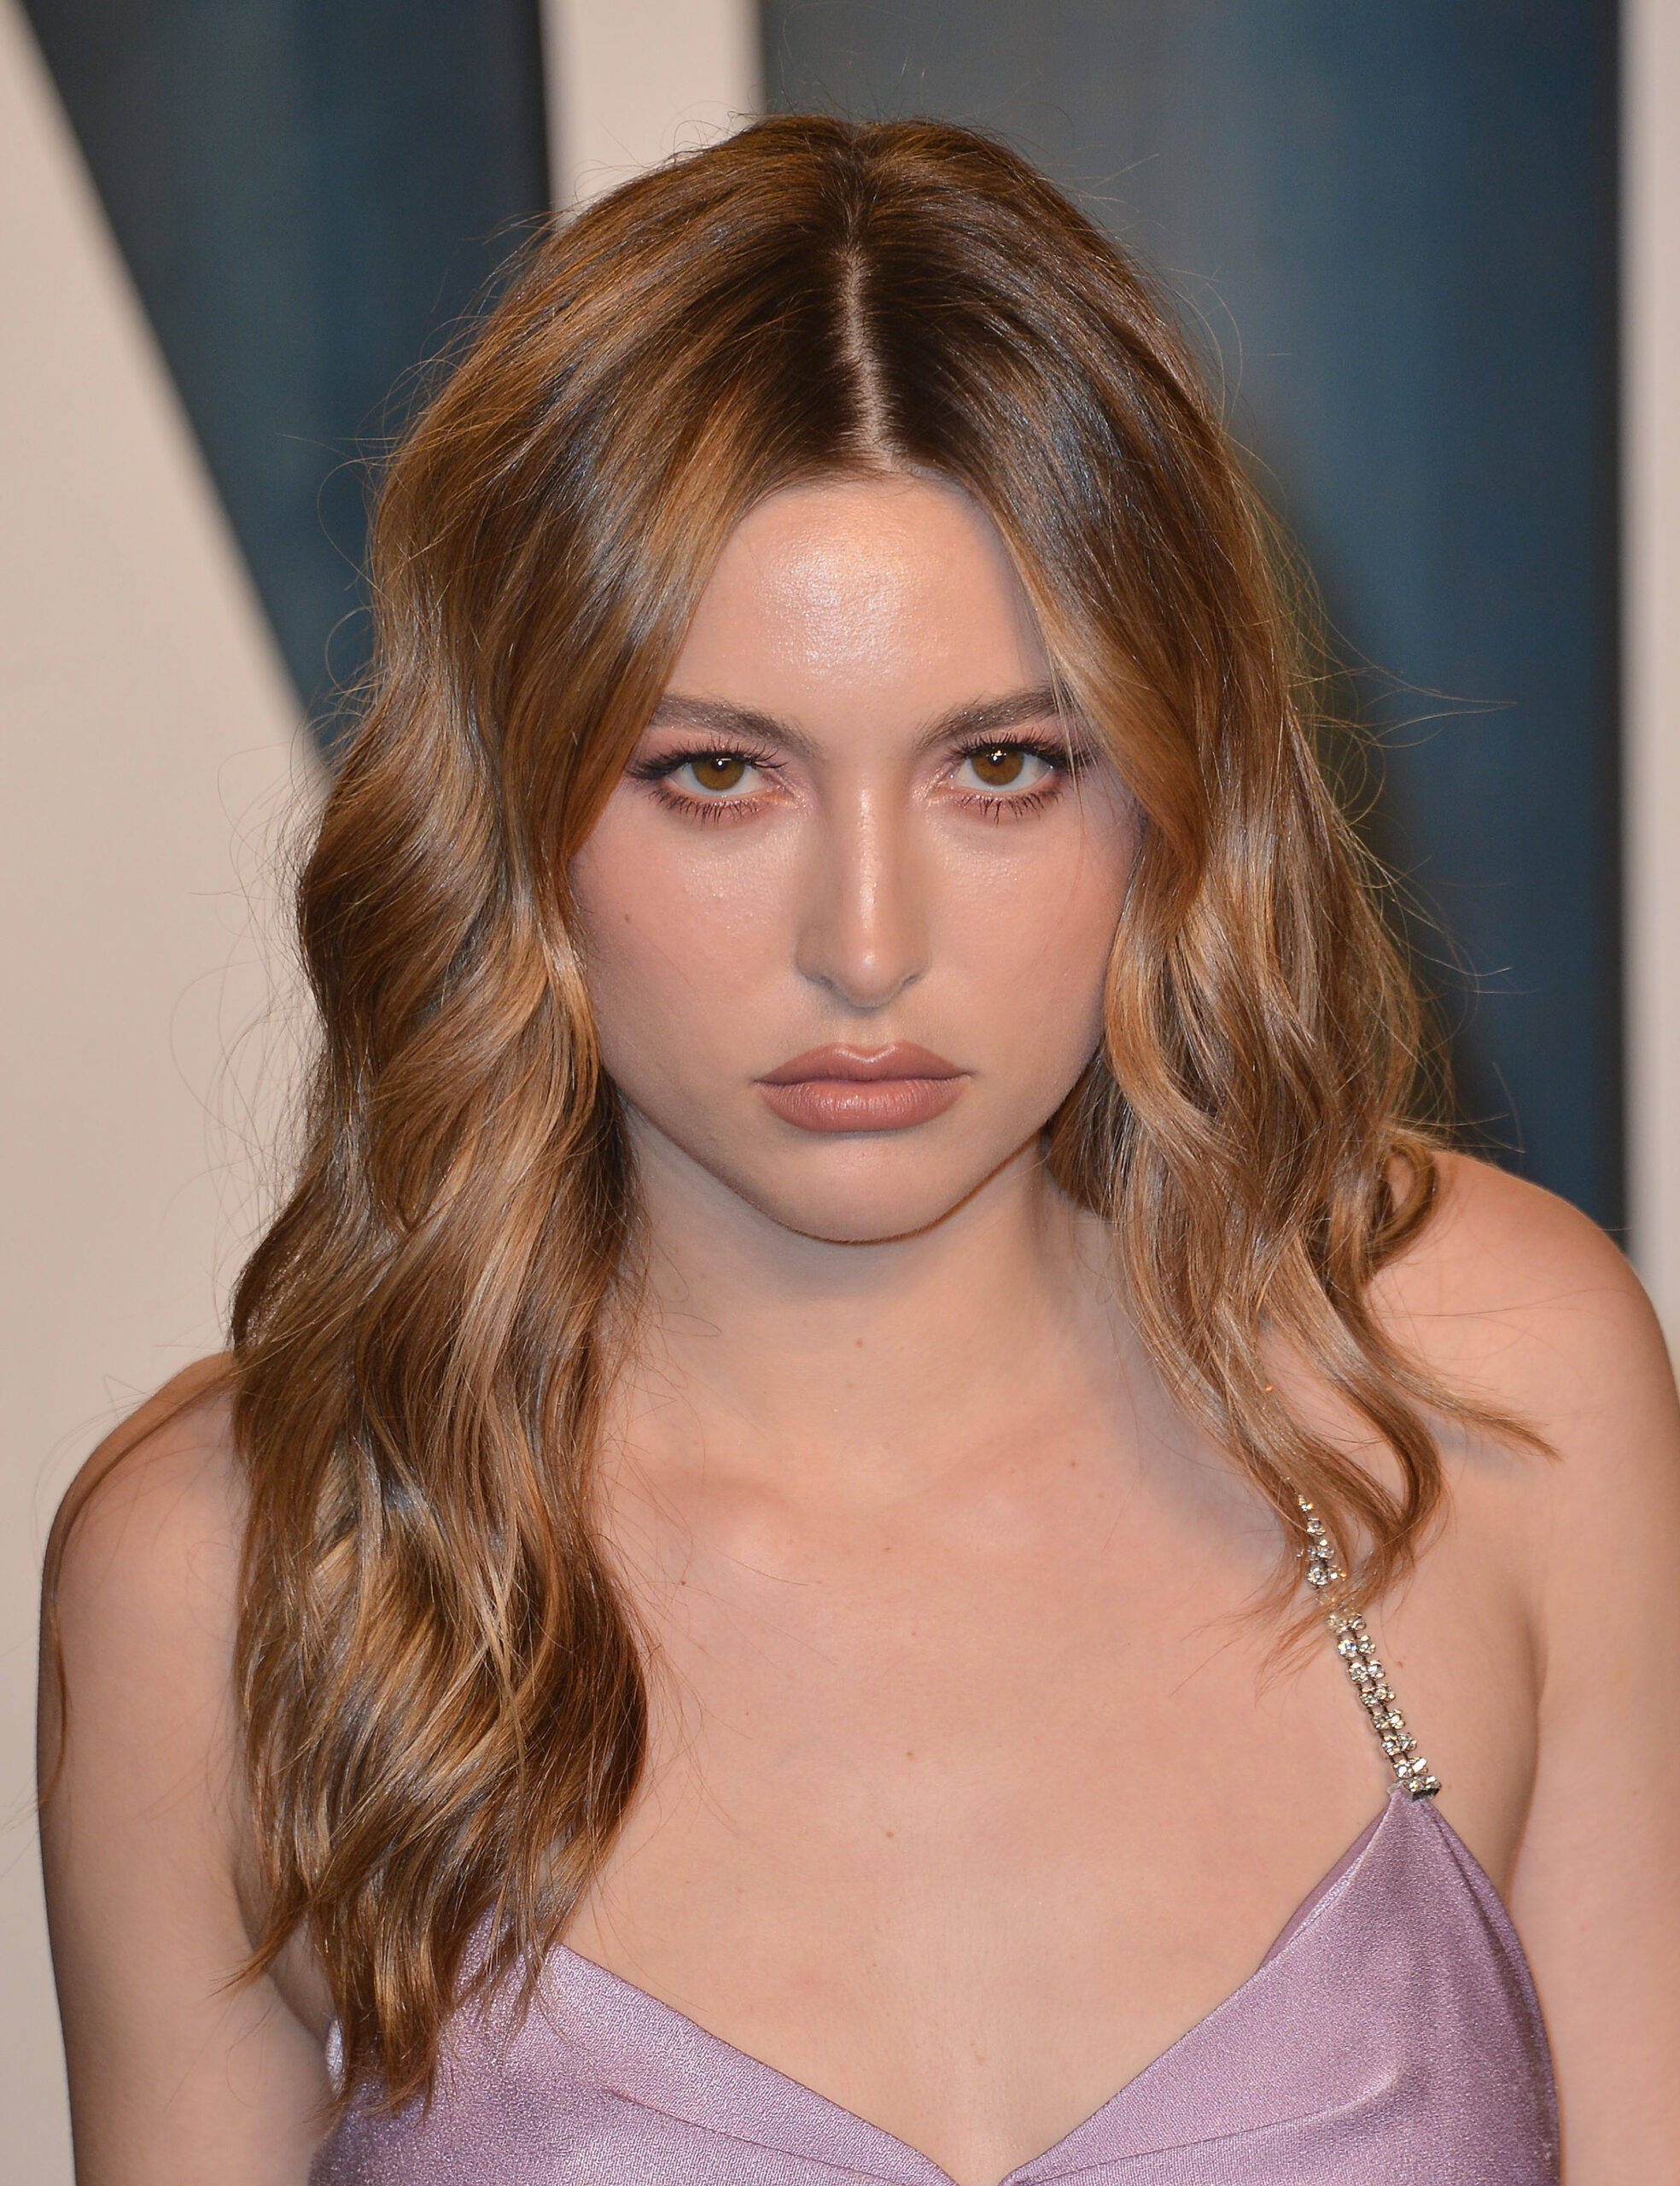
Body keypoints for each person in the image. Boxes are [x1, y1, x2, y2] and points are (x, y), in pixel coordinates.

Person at [37, 115, 1680, 2186]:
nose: (869, 944)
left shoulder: (1489, 1388)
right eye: (718, 774)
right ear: (510, 805)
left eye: (1004, 763)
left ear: (1172, 784)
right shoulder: (242, 1577)